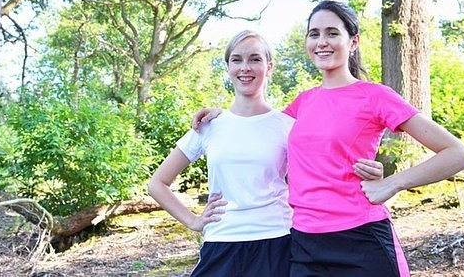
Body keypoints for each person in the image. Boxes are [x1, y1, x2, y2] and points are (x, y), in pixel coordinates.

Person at [193, 1, 464, 277]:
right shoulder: (302, 103)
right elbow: (258, 128)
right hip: (305, 245)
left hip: (361, 239)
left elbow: (458, 153)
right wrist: (223, 116)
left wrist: (393, 182)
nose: (321, 41)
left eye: (332, 33)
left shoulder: (375, 96)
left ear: (353, 42)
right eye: (314, 34)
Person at [148, 29, 384, 277]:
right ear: (228, 66)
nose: (245, 67)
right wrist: (193, 221)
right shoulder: (207, 126)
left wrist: (373, 174)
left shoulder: (289, 125)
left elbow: (328, 169)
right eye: (237, 59)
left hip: (276, 241)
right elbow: (157, 184)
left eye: (255, 59)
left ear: (269, 67)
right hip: (221, 242)